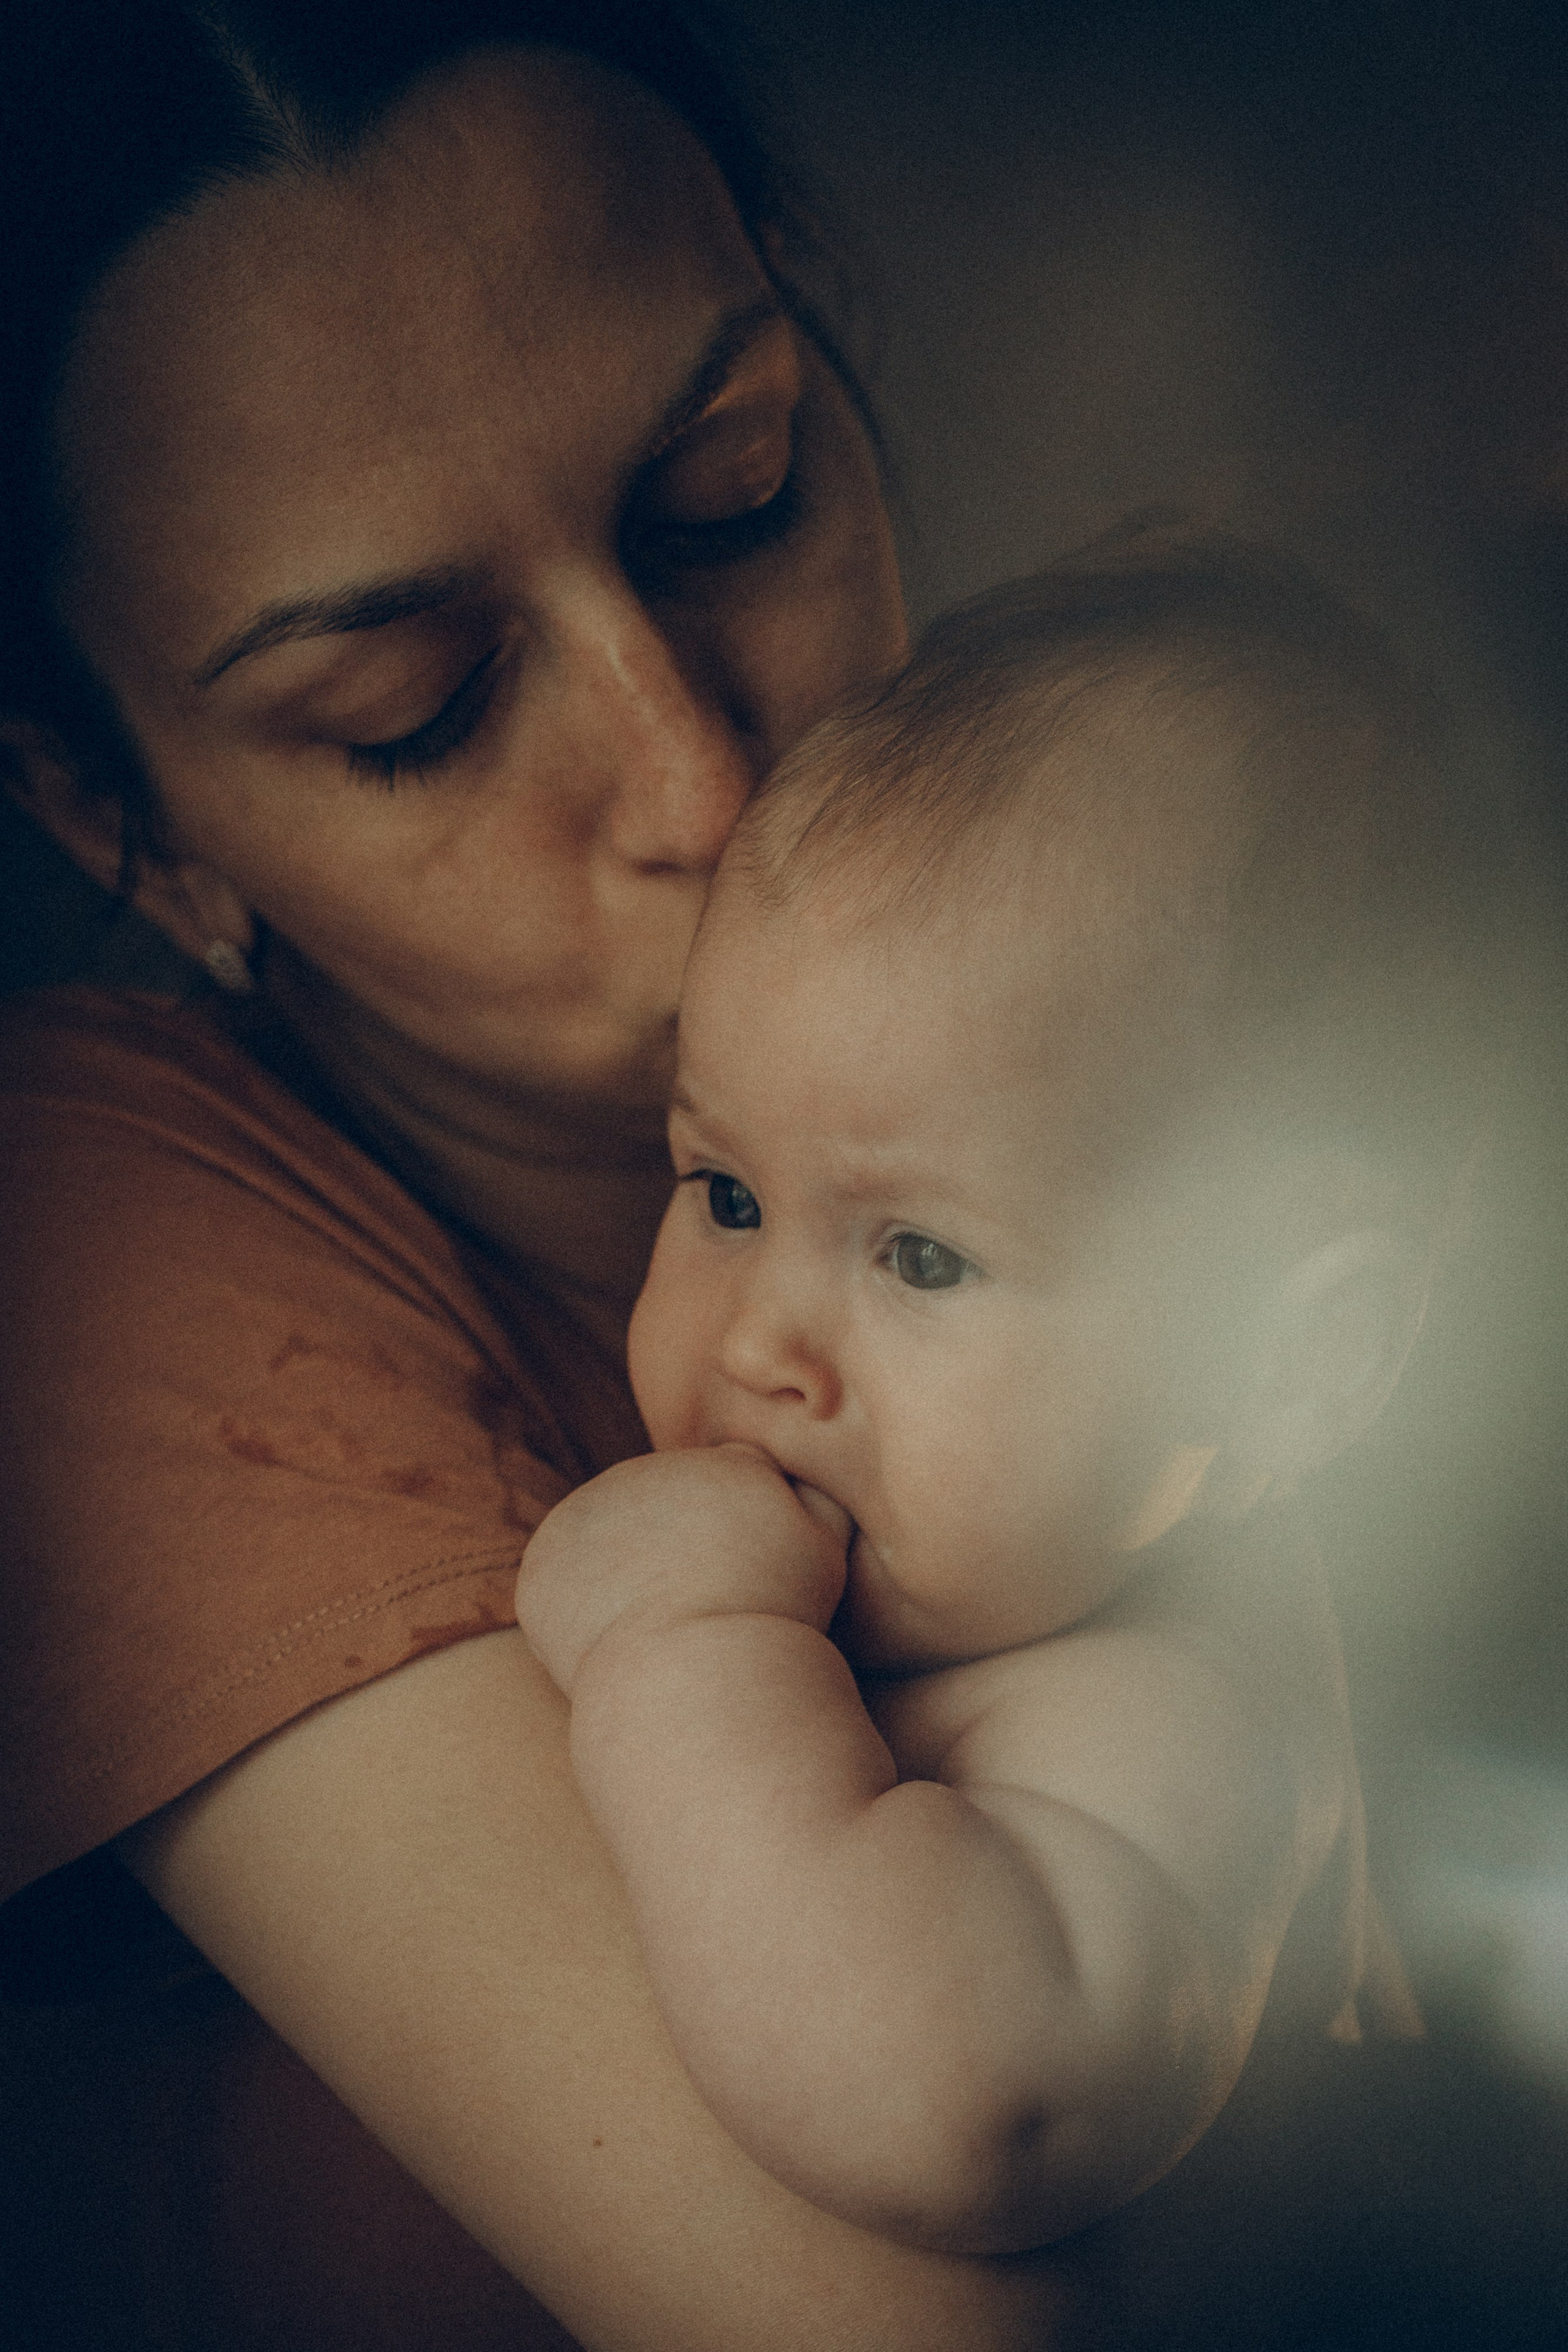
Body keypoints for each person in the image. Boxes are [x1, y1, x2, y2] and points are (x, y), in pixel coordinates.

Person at [0, 4, 1087, 2345]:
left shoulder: (1163, 936)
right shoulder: (83, 1241)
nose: (699, 775)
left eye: (736, 495)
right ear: (123, 821)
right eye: (415, 713)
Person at [520, 541, 1493, 2256]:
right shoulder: (1003, 1571)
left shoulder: (1172, 1717)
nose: (756, 1345)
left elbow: (954, 2098)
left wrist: (686, 1658)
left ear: (1292, 1371)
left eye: (924, 1259)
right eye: (724, 1195)